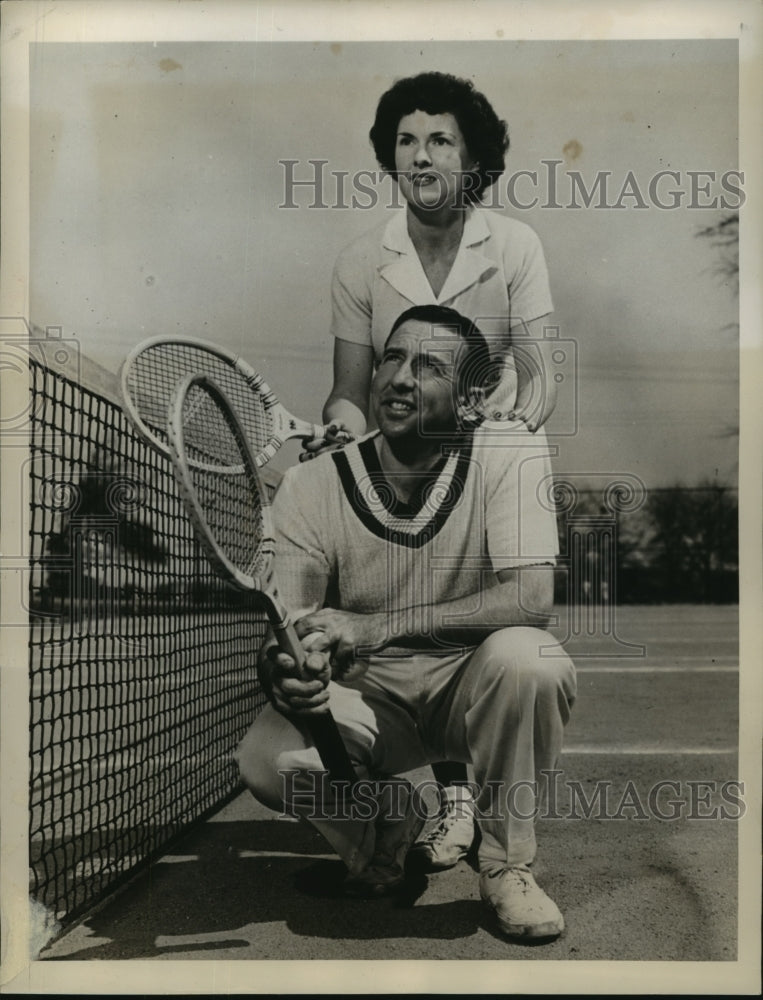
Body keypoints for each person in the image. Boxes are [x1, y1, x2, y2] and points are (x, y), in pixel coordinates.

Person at [237, 305, 576, 941]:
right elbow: (294, 631)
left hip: (468, 690)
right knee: (266, 761)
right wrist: (286, 673)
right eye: (392, 358)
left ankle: (506, 866)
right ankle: (384, 827)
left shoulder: (510, 453)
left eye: (427, 366)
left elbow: (531, 599)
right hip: (374, 699)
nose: (398, 377)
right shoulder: (311, 485)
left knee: (532, 657)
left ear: (472, 396)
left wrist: (371, 628)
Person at [303, 70, 560, 870]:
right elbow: (351, 393)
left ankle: (495, 839)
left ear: (471, 159)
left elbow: (541, 371)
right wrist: (336, 435)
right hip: (402, 464)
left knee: (496, 635)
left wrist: (499, 420)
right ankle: (426, 799)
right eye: (406, 141)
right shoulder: (358, 261)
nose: (421, 157)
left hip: (488, 457)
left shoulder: (514, 245)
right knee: (396, 622)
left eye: (439, 140)